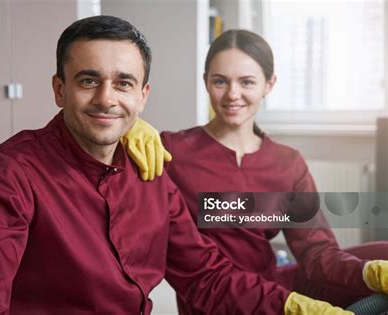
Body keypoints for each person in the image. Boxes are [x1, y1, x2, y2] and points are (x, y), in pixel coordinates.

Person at [0, 16, 354, 315]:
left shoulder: (152, 171)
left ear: (143, 95)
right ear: (59, 89)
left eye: (124, 83)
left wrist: (293, 307)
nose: (106, 98)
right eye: (89, 80)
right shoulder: (6, 175)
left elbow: (207, 274)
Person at [123, 29, 388, 314]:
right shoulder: (170, 152)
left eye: (247, 82)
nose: (232, 94)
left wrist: (370, 272)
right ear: (206, 82)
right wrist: (126, 128)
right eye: (220, 81)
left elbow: (318, 254)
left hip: (275, 289)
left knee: (383, 252)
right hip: (217, 299)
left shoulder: (287, 162)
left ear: (269, 84)